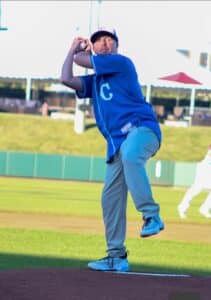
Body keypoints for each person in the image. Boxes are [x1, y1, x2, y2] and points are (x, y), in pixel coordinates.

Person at [60, 27, 164, 272]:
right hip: (117, 144)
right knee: (110, 198)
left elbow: (81, 61)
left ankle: (152, 215)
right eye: (98, 41)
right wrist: (71, 49)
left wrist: (80, 51)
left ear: (116, 45)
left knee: (131, 155)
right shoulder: (95, 80)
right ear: (94, 47)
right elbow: (66, 78)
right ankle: (116, 256)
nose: (104, 44)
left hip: (142, 129)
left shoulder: (121, 63)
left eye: (109, 40)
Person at [178, 145, 211, 219]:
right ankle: (182, 208)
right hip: (204, 170)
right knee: (194, 191)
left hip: (208, 170)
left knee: (194, 191)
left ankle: (204, 209)